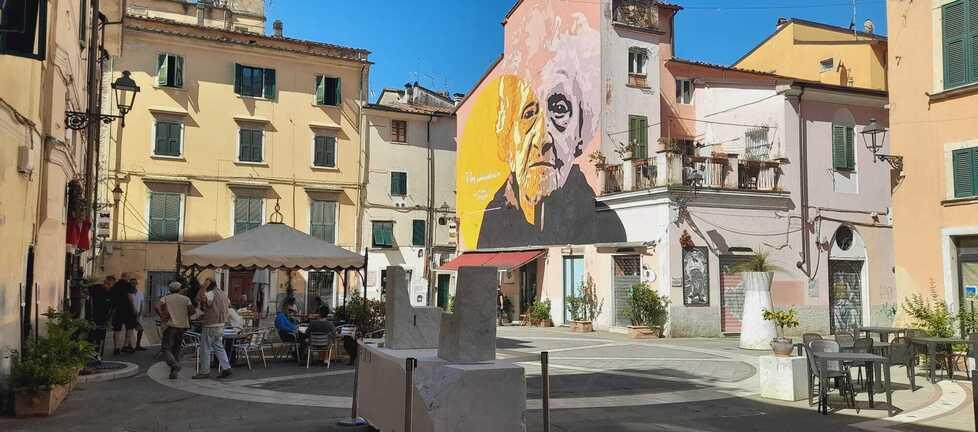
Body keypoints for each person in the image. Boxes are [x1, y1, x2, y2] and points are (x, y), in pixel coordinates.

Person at [192, 279, 232, 379]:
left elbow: (199, 299)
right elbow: (229, 304)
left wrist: (203, 287)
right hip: (221, 324)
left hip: (211, 324)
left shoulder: (210, 293)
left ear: (209, 285)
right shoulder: (223, 293)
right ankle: (226, 367)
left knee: (205, 348)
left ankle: (204, 371)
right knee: (218, 346)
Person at [156, 281, 193, 379]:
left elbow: (156, 306)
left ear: (170, 290)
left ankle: (174, 365)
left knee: (166, 348)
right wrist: (186, 315)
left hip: (170, 326)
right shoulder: (186, 299)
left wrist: (162, 316)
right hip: (182, 326)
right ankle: (174, 372)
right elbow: (192, 311)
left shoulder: (165, 298)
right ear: (180, 289)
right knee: (176, 349)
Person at [110, 272, 138, 355]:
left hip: (117, 309)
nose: (129, 278)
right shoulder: (128, 285)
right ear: (126, 277)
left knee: (117, 329)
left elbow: (112, 297)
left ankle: (116, 348)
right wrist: (134, 308)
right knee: (129, 328)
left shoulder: (115, 285)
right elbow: (130, 297)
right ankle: (125, 345)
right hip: (127, 309)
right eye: (128, 277)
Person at [88, 275, 115, 356]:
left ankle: (99, 355)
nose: (109, 286)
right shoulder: (96, 288)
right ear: (105, 282)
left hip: (104, 319)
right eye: (108, 284)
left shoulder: (111, 293)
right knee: (91, 337)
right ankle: (90, 355)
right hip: (93, 317)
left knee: (101, 338)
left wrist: (109, 320)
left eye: (111, 285)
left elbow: (112, 307)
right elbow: (86, 292)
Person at [130, 278, 147, 351]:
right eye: (131, 283)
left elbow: (142, 303)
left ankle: (138, 345)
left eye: (134, 283)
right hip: (130, 315)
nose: (133, 285)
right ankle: (129, 345)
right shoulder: (128, 293)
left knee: (140, 330)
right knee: (129, 331)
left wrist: (141, 312)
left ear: (136, 284)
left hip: (138, 315)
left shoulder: (140, 293)